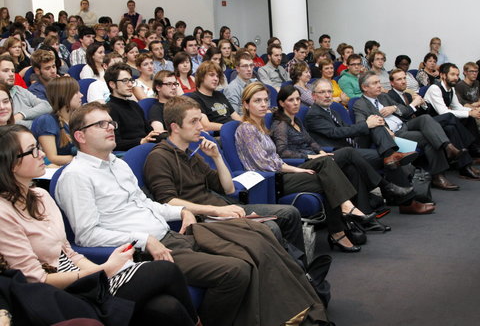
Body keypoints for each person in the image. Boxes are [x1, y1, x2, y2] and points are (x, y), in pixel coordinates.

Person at [56, 102, 331, 326]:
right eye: (100, 124)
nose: (111, 128)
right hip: (145, 250)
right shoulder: (76, 176)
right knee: (237, 270)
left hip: (172, 234)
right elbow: (87, 235)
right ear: (80, 135)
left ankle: (292, 303)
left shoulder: (118, 164)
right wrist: (143, 240)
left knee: (255, 240)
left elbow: (149, 204)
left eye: (110, 122)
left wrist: (182, 209)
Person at [0, 124, 199, 326]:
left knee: (167, 308)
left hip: (86, 279)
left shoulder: (40, 195)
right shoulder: (3, 213)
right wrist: (103, 271)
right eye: (33, 150)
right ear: (11, 163)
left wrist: (101, 274)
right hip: (62, 294)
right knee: (166, 270)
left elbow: (70, 254)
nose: (42, 154)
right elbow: (36, 280)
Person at [145, 94, 309, 256]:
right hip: (206, 218)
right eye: (193, 121)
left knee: (290, 213)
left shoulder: (191, 153)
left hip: (224, 209)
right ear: (175, 127)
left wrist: (216, 157)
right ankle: (291, 270)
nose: (201, 127)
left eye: (199, 120)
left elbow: (228, 188)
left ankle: (302, 271)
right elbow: (167, 202)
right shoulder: (159, 157)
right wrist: (216, 210)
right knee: (269, 228)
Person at [236, 82, 368, 252]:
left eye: (265, 100)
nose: (263, 105)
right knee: (330, 179)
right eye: (257, 101)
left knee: (326, 162)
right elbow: (265, 164)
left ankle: (342, 221)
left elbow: (275, 158)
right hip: (270, 182)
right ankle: (341, 224)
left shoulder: (261, 127)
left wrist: (298, 168)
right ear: (246, 105)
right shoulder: (247, 129)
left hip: (280, 173)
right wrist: (296, 169)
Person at [272, 85, 412, 220]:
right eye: (291, 100)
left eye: (298, 99)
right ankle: (385, 186)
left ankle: (365, 215)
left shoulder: (296, 120)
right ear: (282, 103)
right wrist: (312, 156)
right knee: (349, 152)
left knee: (352, 168)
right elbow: (283, 152)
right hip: (304, 163)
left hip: (319, 158)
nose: (296, 103)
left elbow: (311, 142)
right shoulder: (280, 125)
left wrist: (320, 151)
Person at [354, 71, 471, 187]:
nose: (379, 85)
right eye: (375, 83)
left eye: (379, 82)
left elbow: (404, 110)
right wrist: (380, 126)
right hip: (394, 134)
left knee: (425, 118)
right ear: (365, 87)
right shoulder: (360, 104)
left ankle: (448, 147)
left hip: (405, 124)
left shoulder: (384, 97)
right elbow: (362, 124)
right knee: (429, 138)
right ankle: (438, 176)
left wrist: (394, 108)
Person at [105, 63, 160, 150]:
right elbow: (116, 142)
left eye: (131, 80)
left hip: (148, 147)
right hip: (130, 153)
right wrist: (141, 141)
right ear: (112, 84)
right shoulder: (109, 109)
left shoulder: (134, 105)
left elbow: (150, 131)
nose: (130, 84)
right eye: (125, 81)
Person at [31, 77, 81, 165]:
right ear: (65, 96)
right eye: (76, 92)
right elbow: (52, 158)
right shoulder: (47, 121)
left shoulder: (76, 119)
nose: (81, 95)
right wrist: (83, 159)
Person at [0, 54, 51, 128]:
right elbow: (10, 124)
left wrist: (22, 114)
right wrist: (36, 122)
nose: (11, 74)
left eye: (13, 71)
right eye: (6, 71)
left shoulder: (19, 89)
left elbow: (47, 106)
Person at [189, 61, 241, 132]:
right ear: (201, 77)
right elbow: (206, 126)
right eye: (211, 75)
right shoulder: (194, 98)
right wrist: (231, 127)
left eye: (217, 76)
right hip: (219, 136)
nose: (216, 79)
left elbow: (235, 116)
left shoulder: (220, 95)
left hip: (234, 131)